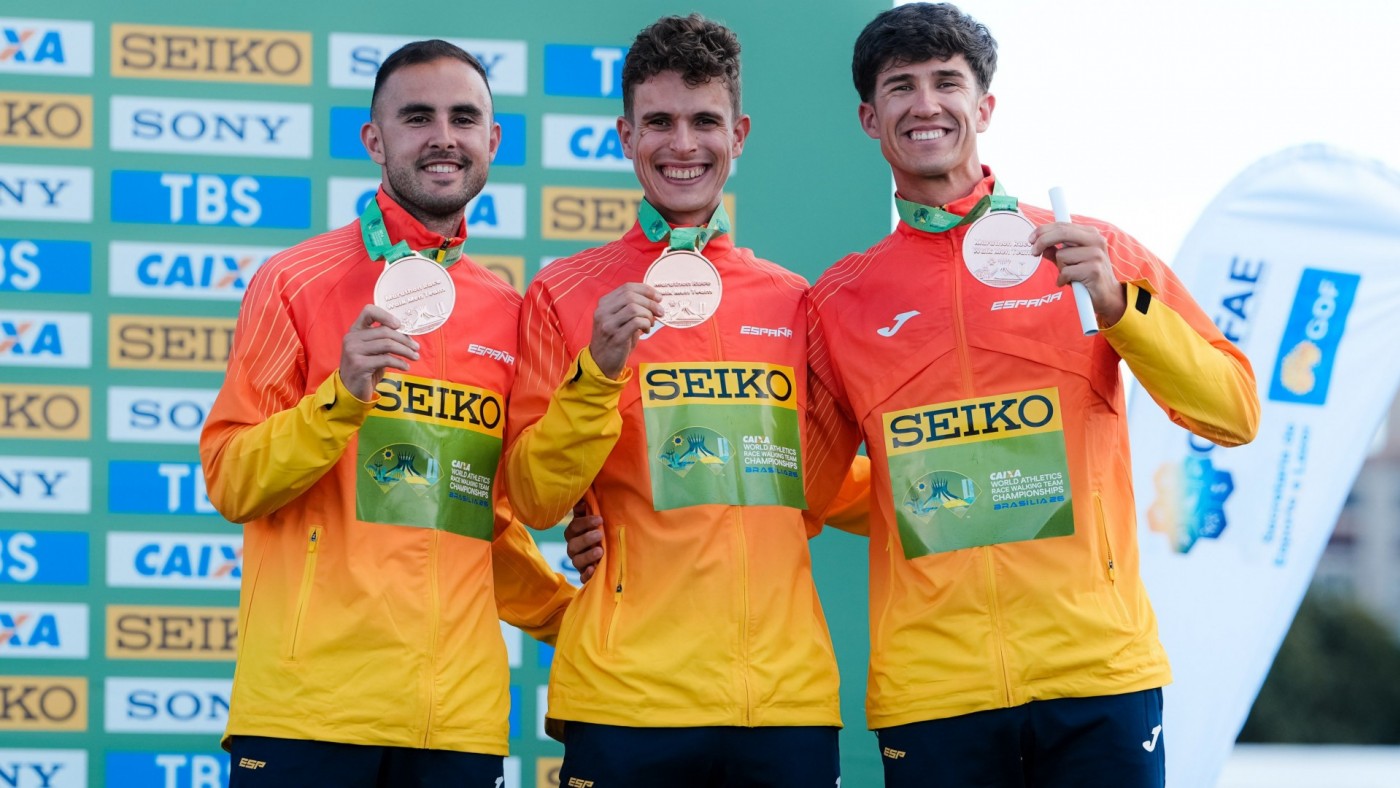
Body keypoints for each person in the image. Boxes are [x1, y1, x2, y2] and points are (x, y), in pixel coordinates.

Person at [801, 4, 1261, 786]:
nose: (925, 104)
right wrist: (922, 492)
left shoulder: (1094, 248)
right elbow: (808, 491)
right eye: (900, 87)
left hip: (1096, 673)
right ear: (868, 118)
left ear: (984, 107)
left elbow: (1232, 411)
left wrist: (1122, 309)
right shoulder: (840, 300)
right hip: (933, 690)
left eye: (947, 82)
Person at [505, 14, 867, 788]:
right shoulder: (564, 293)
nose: (683, 145)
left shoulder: (794, 299)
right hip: (625, 697)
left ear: (739, 133)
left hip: (782, 699)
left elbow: (818, 479)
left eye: (705, 122)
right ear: (624, 135)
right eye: (659, 122)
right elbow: (536, 496)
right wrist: (599, 372)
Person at [200, 40, 574, 788]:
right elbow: (232, 481)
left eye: (464, 118)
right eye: (417, 117)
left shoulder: (509, 312)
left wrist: (577, 618)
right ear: (375, 139)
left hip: (454, 721)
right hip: (309, 715)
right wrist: (338, 399)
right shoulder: (294, 281)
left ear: (491, 141)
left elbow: (480, 524)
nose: (444, 136)